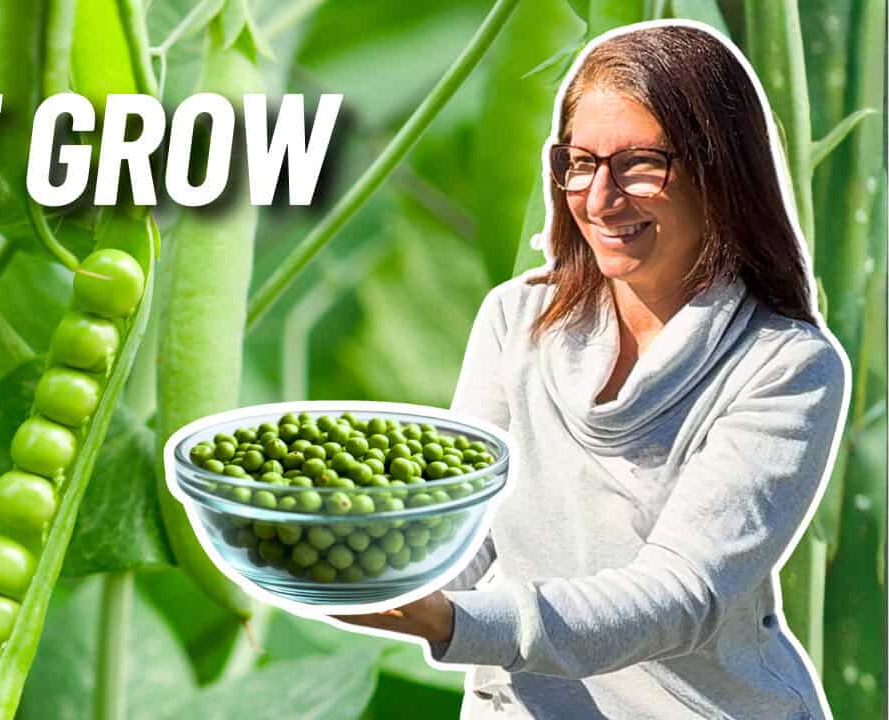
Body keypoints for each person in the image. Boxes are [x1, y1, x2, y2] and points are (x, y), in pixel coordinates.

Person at [334, 22, 850, 720]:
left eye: (640, 164)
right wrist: (363, 561)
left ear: (720, 173)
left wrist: (452, 622)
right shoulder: (516, 317)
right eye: (579, 163)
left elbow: (681, 594)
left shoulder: (785, 367)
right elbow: (465, 523)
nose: (601, 200)